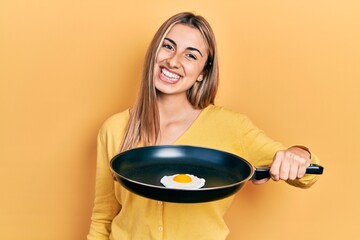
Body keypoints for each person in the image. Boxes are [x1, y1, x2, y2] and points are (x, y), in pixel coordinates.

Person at [87, 12, 320, 240]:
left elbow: (307, 175)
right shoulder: (114, 129)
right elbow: (103, 218)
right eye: (168, 46)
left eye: (191, 55)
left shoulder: (231, 126)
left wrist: (298, 154)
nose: (173, 61)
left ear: (203, 72)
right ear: (153, 53)